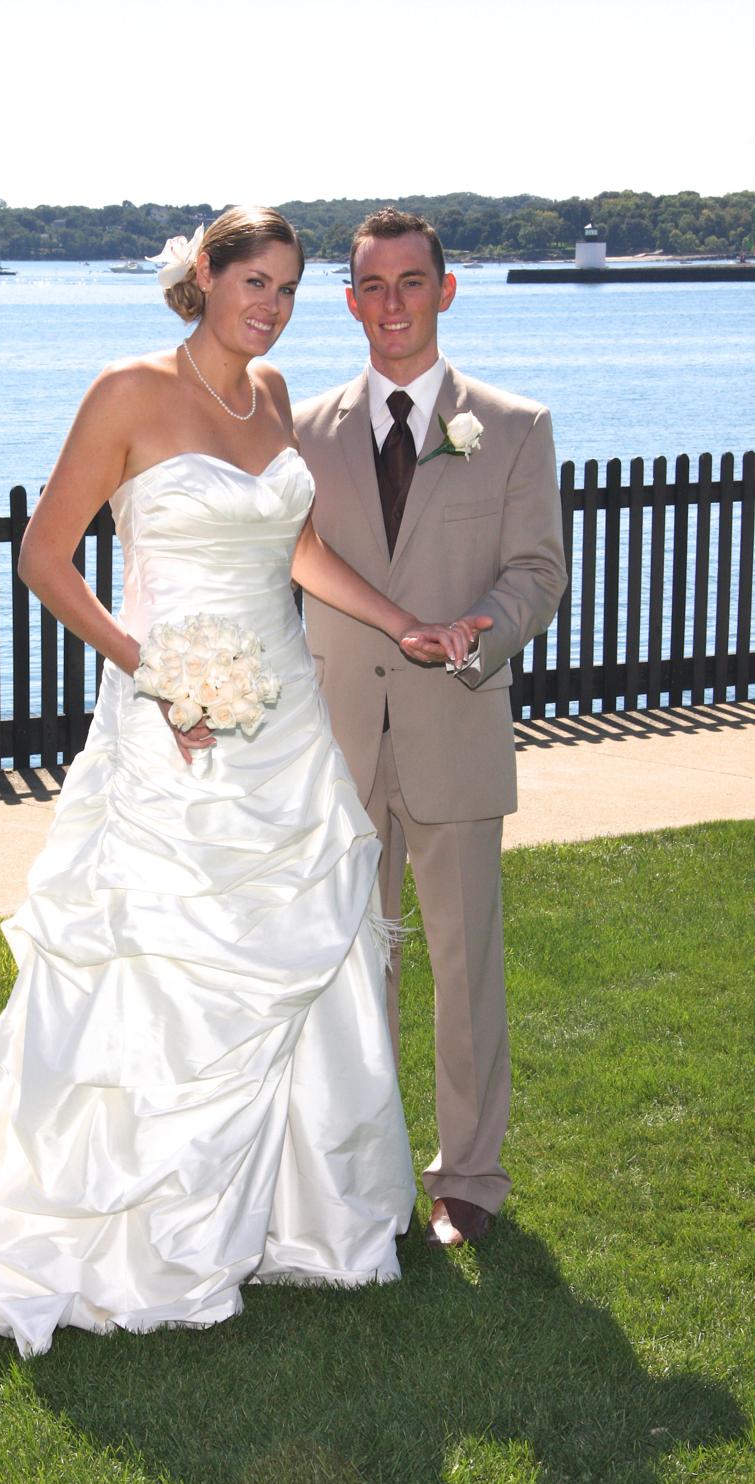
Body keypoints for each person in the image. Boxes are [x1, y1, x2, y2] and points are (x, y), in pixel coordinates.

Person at [0, 207, 480, 1359]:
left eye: (287, 287)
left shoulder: (270, 396)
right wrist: (154, 673)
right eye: (253, 281)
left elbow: (292, 550)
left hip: (281, 725)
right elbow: (44, 556)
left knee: (300, 951)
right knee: (164, 969)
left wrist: (400, 622)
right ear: (203, 275)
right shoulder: (127, 391)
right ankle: (136, 1235)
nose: (270, 306)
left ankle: (297, 1218)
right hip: (170, 725)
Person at [295, 209, 568, 1249]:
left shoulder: (513, 426)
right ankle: (360, 1179)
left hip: (455, 725)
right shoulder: (301, 432)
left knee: (464, 968)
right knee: (349, 971)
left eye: (411, 282)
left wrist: (479, 630)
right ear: (349, 301)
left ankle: (468, 1179)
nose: (392, 303)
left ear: (444, 291)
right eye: (372, 285)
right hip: (334, 744)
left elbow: (536, 572)